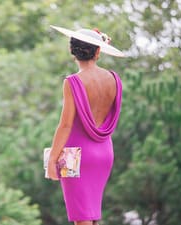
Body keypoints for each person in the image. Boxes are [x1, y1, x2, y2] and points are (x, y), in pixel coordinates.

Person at [47, 25, 124, 225]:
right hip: (104, 153)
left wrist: (52, 160)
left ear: (72, 50)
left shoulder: (72, 82)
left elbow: (65, 125)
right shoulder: (114, 79)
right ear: (98, 51)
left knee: (81, 217)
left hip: (76, 155)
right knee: (90, 215)